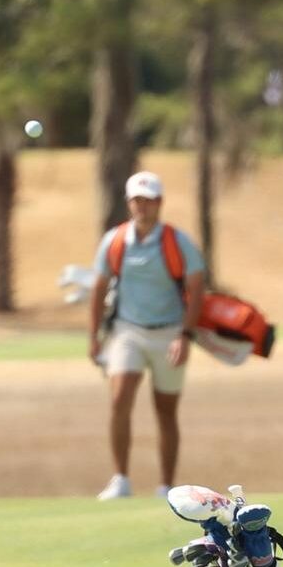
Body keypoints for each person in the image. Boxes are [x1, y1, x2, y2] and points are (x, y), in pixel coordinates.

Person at [89, 171, 206, 500]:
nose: (143, 206)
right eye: (137, 200)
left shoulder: (176, 242)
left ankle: (167, 486)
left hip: (170, 332)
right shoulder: (115, 241)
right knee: (119, 399)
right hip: (127, 331)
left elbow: (196, 289)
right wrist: (94, 336)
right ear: (129, 203)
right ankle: (120, 480)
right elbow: (99, 288)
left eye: (149, 200)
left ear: (159, 203)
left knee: (165, 410)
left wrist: (185, 335)